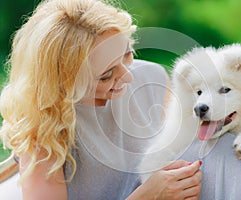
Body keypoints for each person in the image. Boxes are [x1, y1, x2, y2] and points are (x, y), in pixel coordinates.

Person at [0, 0, 202, 199]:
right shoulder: (44, 128)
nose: (128, 77)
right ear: (64, 81)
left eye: (126, 55)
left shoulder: (152, 78)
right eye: (106, 75)